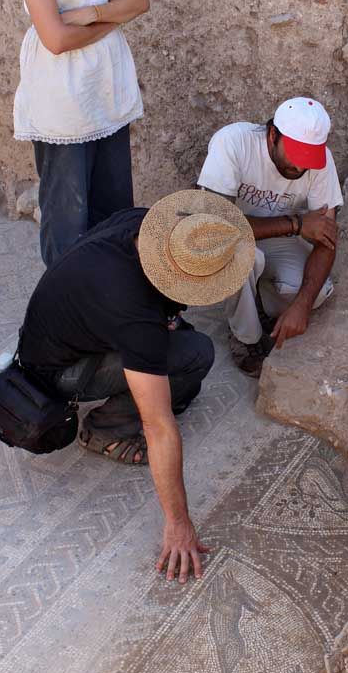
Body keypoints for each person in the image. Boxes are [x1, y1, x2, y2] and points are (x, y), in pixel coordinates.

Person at [18, 190, 256, 582]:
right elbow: (158, 426)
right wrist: (179, 524)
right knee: (194, 354)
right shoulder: (135, 315)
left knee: (175, 346)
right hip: (57, 374)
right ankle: (104, 428)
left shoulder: (143, 224)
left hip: (50, 331)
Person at [12, 0, 150, 266]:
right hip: (62, 98)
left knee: (115, 215)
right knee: (67, 224)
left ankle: (110, 315)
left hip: (106, 88)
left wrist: (89, 15)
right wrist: (114, 14)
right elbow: (54, 39)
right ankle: (61, 325)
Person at [197, 97, 343, 376]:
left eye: (307, 159)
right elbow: (216, 226)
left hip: (281, 239)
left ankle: (256, 301)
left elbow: (326, 238)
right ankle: (245, 339)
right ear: (273, 134)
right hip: (231, 240)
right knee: (239, 257)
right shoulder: (233, 142)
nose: (300, 168)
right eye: (296, 155)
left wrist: (302, 305)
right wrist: (297, 224)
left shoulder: (322, 162)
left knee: (317, 294)